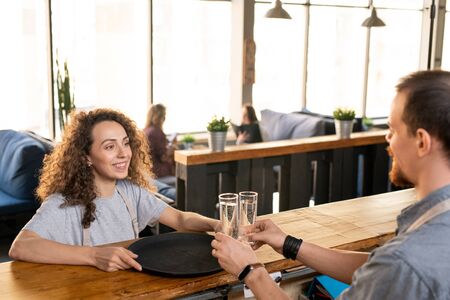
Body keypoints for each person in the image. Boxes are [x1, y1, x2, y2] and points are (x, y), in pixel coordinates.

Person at [211, 70, 450, 299]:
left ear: (422, 142)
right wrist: (288, 243)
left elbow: (393, 268)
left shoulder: (404, 261)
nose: (387, 139)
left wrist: (250, 271)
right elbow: (374, 268)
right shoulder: (428, 230)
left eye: (392, 130)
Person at [9, 108, 219, 272]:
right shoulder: (65, 202)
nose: (123, 154)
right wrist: (93, 256)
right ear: (86, 157)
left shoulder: (130, 192)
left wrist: (218, 225)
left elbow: (180, 220)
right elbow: (21, 247)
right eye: (110, 147)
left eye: (125, 144)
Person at [143, 104, 177, 185]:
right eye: (163, 116)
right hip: (158, 173)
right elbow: (163, 157)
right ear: (160, 117)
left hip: (148, 171)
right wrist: (172, 149)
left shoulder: (146, 130)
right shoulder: (156, 132)